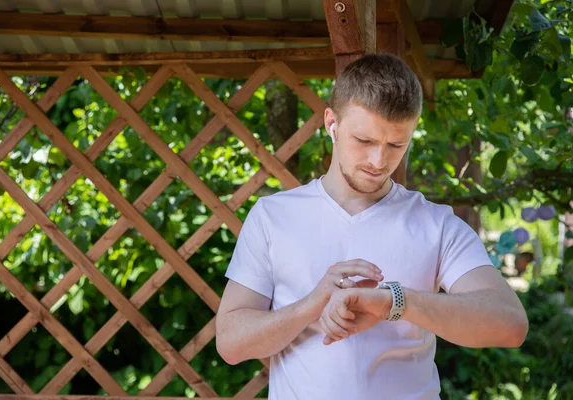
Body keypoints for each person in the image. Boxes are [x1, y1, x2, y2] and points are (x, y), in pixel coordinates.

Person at [215, 54, 528, 400]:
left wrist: (395, 302)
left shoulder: (436, 224)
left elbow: (510, 325)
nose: (379, 162)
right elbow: (230, 342)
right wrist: (312, 305)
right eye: (364, 141)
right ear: (331, 123)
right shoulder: (272, 216)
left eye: (396, 145)